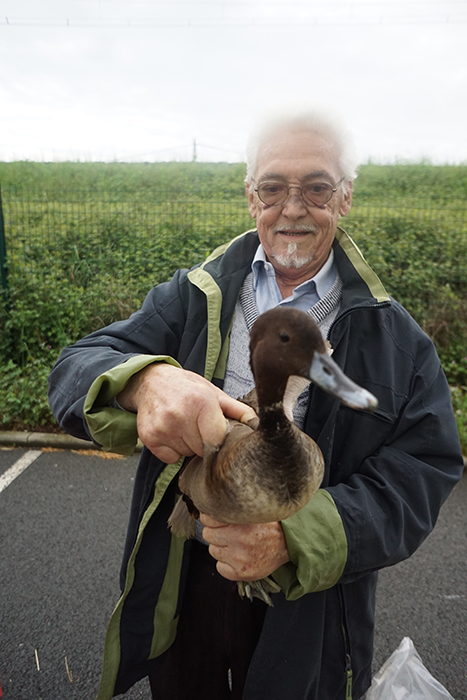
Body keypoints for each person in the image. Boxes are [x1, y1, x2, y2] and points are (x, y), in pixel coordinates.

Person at [48, 106, 464, 700]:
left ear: (344, 198)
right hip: (185, 570)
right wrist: (147, 382)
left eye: (316, 187)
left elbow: (424, 469)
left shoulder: (396, 339)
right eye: (273, 188)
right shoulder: (194, 296)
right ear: (251, 196)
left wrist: (296, 535)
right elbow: (77, 364)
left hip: (310, 601)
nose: (292, 207)